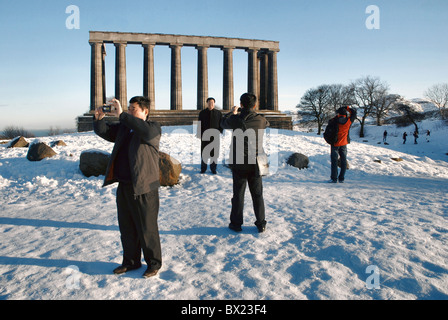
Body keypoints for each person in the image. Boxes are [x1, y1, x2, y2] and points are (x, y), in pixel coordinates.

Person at [93, 96, 162, 278]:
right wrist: (99, 119)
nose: (130, 112)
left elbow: (143, 131)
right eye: (129, 109)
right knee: (127, 227)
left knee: (147, 228)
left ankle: (153, 264)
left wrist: (123, 115)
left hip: (145, 187)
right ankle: (131, 262)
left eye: (134, 109)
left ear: (145, 111)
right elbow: (106, 132)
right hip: (124, 185)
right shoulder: (125, 128)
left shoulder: (153, 128)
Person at [221, 93, 269, 233]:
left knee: (238, 195)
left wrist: (233, 112)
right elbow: (267, 123)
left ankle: (236, 224)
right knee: (258, 194)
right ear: (254, 105)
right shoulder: (260, 120)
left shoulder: (235, 119)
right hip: (256, 162)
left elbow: (223, 122)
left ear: (241, 104)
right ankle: (261, 223)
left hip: (239, 162)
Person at [329, 106, 357, 183]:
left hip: (335, 143)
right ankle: (341, 178)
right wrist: (347, 107)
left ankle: (334, 178)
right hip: (344, 143)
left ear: (338, 113)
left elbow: (329, 127)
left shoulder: (334, 121)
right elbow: (354, 113)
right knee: (343, 161)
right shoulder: (349, 121)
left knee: (334, 161)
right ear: (346, 114)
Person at [197, 97, 223, 174]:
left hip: (215, 136)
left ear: (214, 104)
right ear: (207, 103)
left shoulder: (218, 113)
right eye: (209, 102)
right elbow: (199, 124)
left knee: (214, 154)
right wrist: (199, 134)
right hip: (205, 136)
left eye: (212, 102)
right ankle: (203, 169)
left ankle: (213, 169)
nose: (211, 104)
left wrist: (220, 131)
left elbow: (221, 124)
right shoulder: (202, 113)